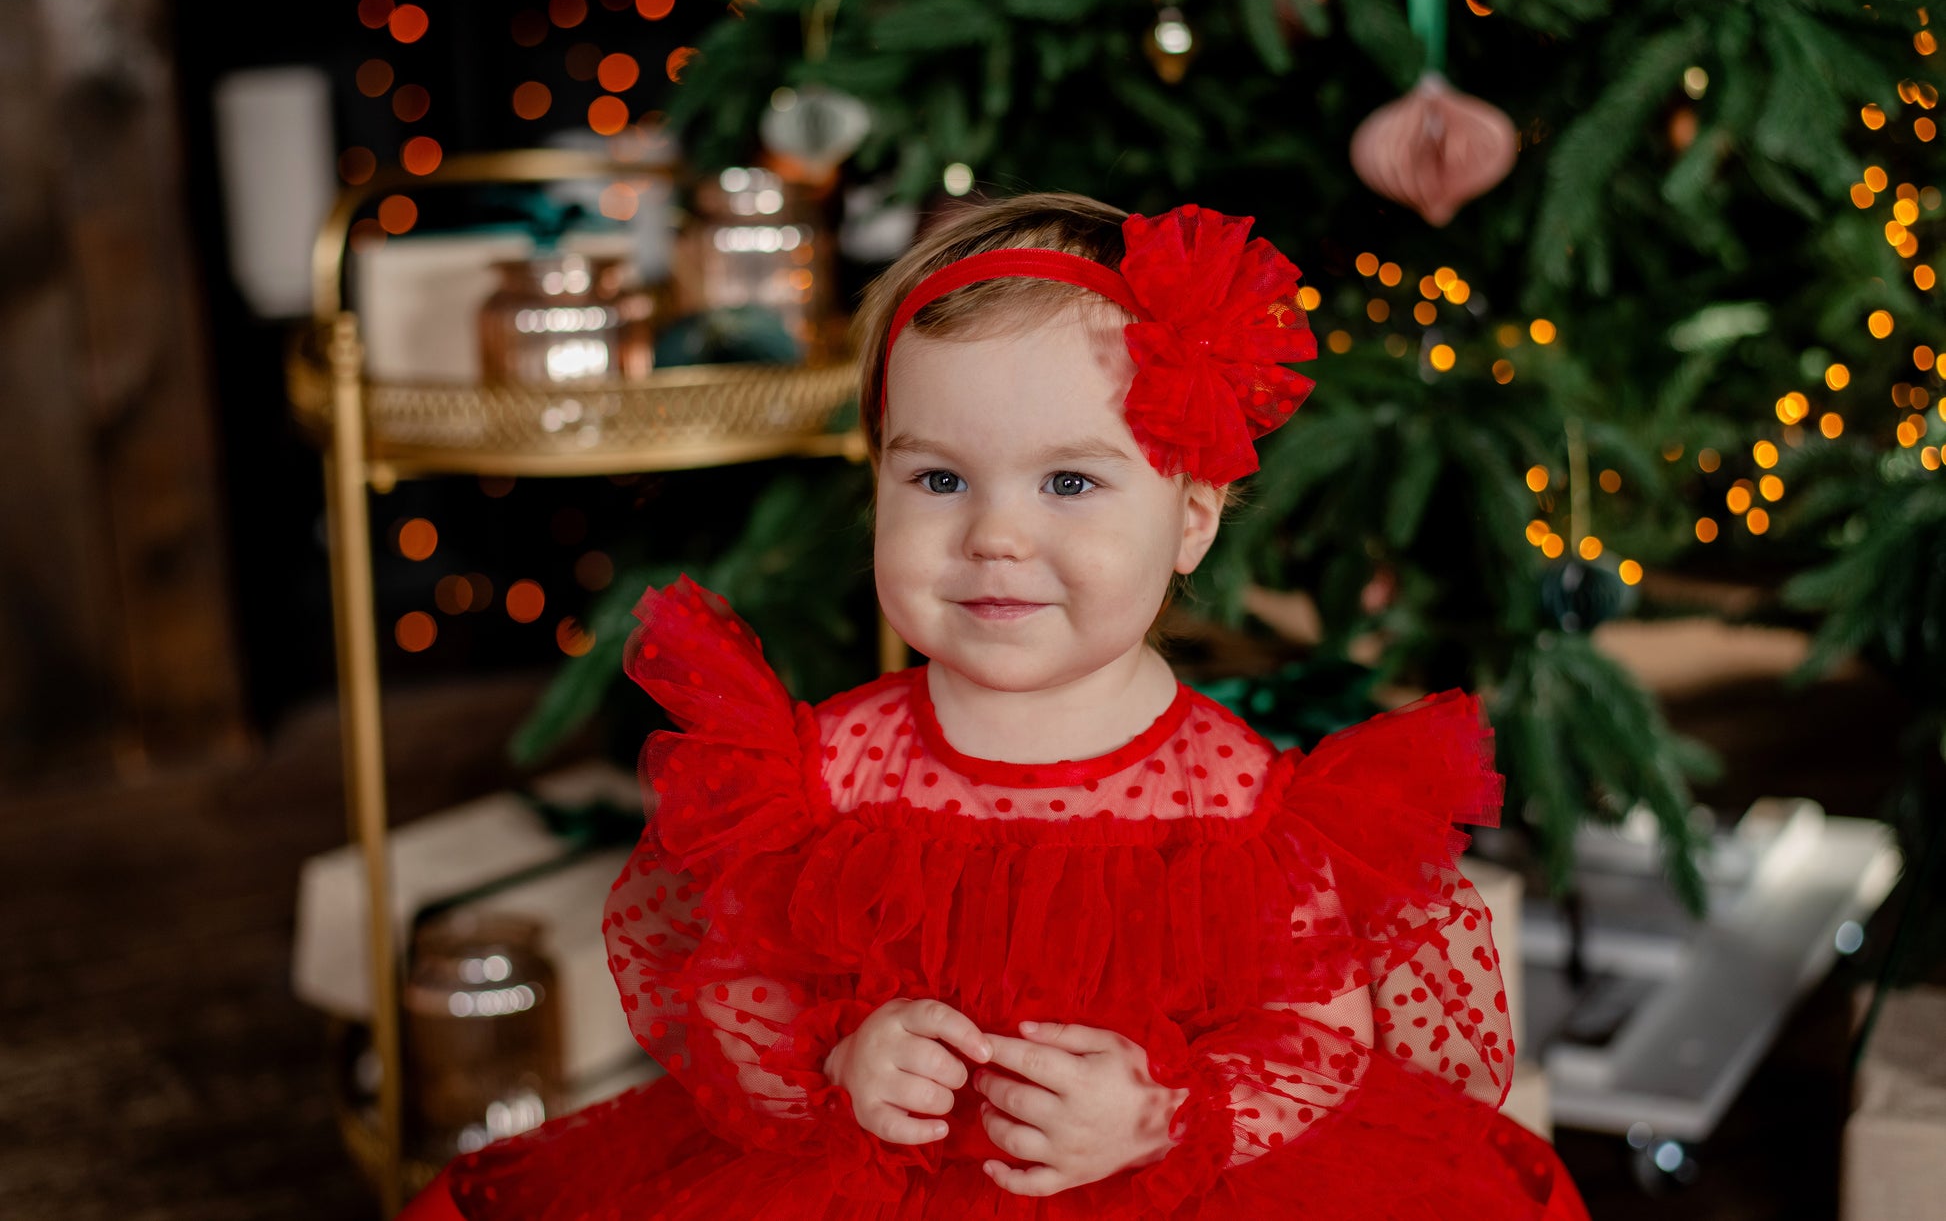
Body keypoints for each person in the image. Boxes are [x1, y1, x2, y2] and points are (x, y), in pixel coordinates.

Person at [403, 193, 1589, 1219]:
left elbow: (1321, 1041)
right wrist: (838, 1064)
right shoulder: (824, 776)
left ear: (1189, 515)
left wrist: (1167, 1112)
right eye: (936, 478)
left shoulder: (1237, 802)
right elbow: (729, 998)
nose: (995, 535)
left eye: (1069, 480)